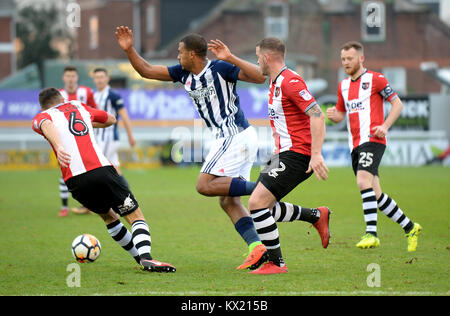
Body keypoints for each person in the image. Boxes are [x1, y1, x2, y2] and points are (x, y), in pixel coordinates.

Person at [115, 26, 267, 270]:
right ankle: (257, 248)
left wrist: (230, 57)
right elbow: (146, 70)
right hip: (235, 138)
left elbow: (261, 77)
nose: (178, 56)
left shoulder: (220, 68)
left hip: (233, 134)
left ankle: (266, 188)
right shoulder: (183, 74)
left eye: (180, 52)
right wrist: (129, 49)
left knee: (204, 185)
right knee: (229, 202)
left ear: (193, 54)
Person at [32, 87, 175, 272]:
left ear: (43, 106)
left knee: (109, 217)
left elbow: (45, 124)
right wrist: (86, 123)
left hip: (74, 182)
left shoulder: (40, 116)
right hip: (100, 169)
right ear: (62, 98)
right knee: (135, 215)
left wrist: (58, 146)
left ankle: (139, 259)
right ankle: (147, 258)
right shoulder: (77, 106)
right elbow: (111, 119)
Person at [246, 37, 331, 275]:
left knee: (256, 204)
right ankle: (316, 215)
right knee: (264, 207)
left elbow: (317, 115)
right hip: (281, 154)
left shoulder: (290, 81)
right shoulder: (274, 83)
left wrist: (316, 154)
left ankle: (277, 263)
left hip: (297, 154)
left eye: (257, 56)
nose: (257, 61)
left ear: (267, 57)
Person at [326, 41, 421, 252]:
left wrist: (385, 126)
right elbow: (342, 113)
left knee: (362, 181)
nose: (346, 62)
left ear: (361, 58)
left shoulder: (376, 79)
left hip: (373, 140)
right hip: (355, 145)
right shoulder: (343, 86)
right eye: (343, 59)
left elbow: (397, 104)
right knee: (376, 195)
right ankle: (410, 227)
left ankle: (372, 233)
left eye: (350, 58)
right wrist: (334, 116)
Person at [58, 66, 97, 217]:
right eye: (68, 76)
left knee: (87, 171)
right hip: (66, 140)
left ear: (77, 77)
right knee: (65, 172)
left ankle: (87, 204)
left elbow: (94, 110)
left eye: (73, 76)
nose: (70, 79)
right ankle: (64, 207)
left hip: (85, 139)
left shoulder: (86, 92)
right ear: (63, 78)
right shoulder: (59, 95)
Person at [92, 67, 136, 187]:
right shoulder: (94, 95)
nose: (99, 80)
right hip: (99, 138)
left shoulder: (112, 95)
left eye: (102, 77)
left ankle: (96, 204)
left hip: (109, 138)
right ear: (94, 79)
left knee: (99, 169)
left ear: (107, 79)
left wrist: (130, 136)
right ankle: (128, 200)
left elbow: (124, 116)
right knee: (115, 170)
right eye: (97, 77)